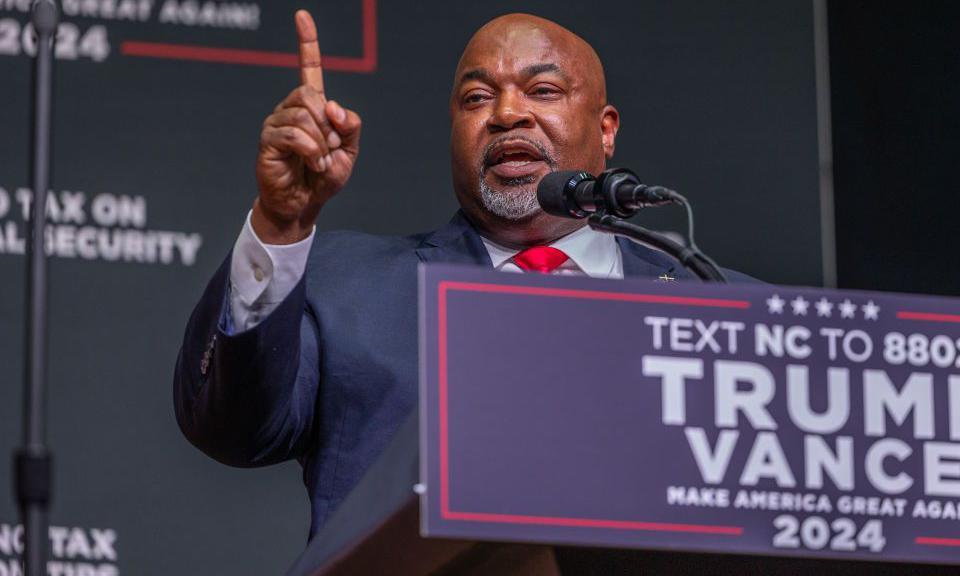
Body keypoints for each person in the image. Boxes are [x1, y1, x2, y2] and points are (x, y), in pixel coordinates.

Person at [173, 10, 753, 538]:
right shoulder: (344, 287)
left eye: (542, 90)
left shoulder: (725, 309)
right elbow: (230, 427)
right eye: (477, 99)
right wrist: (280, 223)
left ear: (605, 130)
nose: (506, 114)